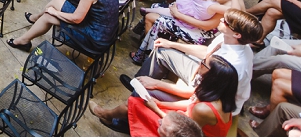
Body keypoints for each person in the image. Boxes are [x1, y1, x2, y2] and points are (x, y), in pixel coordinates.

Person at [130, 8, 263, 115]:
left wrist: (156, 84)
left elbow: (198, 93)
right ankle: (137, 83)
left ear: (237, 34)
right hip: (200, 74)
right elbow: (207, 52)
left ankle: (126, 119)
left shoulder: (231, 64)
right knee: (161, 52)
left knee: (145, 94)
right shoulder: (229, 38)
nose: (221, 19)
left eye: (226, 21)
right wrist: (171, 44)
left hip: (209, 99)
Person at [91, 55, 238, 136]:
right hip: (184, 120)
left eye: (203, 65)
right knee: (147, 97)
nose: (199, 65)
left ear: (212, 76)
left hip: (183, 130)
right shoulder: (219, 94)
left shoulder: (204, 110)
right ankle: (117, 118)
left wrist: (156, 108)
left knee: (135, 103)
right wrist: (161, 103)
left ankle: (106, 115)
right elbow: (190, 104)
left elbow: (181, 130)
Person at [131, 0, 234, 65]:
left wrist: (177, 11)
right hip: (186, 20)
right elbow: (231, 9)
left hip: (191, 26)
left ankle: (146, 52)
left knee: (153, 17)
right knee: (154, 9)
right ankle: (145, 44)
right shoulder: (212, 4)